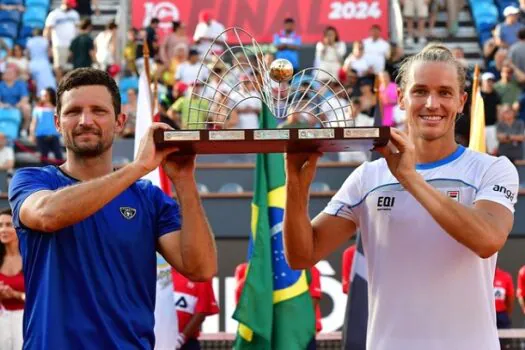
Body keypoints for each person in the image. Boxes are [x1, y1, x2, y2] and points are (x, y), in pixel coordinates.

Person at [282, 44, 519, 350]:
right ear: (403, 98)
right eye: (420, 91)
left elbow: (487, 239)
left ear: (461, 102)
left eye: (445, 93)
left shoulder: (492, 169)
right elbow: (302, 255)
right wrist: (295, 186)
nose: (432, 103)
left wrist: (409, 177)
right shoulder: (369, 177)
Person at [8, 68, 218, 348]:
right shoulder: (33, 180)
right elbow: (47, 215)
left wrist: (184, 180)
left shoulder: (148, 198)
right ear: (58, 122)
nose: (85, 121)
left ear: (120, 122)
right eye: (73, 112)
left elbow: (201, 268)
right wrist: (137, 168)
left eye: (98, 111)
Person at [171, 268, 219, 349]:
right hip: (160, 339)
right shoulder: (160, 273)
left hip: (187, 343)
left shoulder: (201, 276)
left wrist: (181, 339)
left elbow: (201, 312)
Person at [0, 208, 25, 350]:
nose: (3, 230)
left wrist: (16, 295)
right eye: (0, 225)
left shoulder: (29, 260)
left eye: (8, 225)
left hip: (24, 323)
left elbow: (40, 298)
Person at [30, 88, 63, 164]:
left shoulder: (56, 108)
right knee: (44, 158)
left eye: (45, 95)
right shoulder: (37, 109)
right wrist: (32, 134)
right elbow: (34, 122)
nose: (43, 97)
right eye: (42, 95)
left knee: (59, 156)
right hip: (41, 135)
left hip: (54, 135)